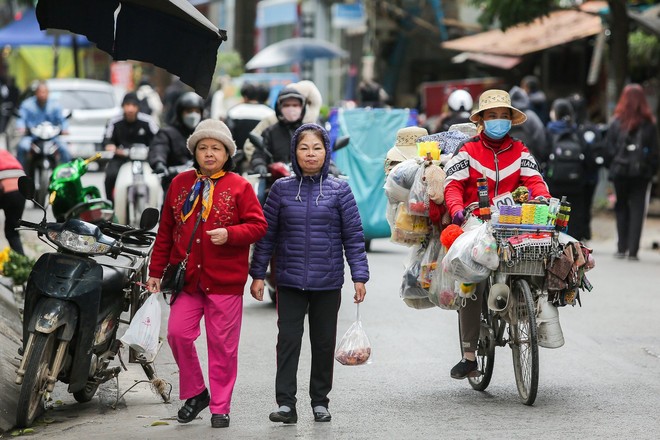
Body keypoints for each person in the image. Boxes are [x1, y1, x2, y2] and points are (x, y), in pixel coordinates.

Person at [146, 119, 267, 428]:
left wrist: (230, 234)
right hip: (187, 281)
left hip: (225, 281)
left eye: (216, 148)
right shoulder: (180, 184)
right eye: (203, 148)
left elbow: (258, 225)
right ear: (194, 152)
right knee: (177, 334)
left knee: (222, 347)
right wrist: (156, 271)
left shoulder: (240, 186)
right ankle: (197, 392)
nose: (209, 153)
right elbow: (166, 231)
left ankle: (220, 406)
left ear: (227, 153)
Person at [249, 123, 369, 424]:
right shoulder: (281, 190)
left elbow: (353, 236)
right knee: (288, 340)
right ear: (294, 152)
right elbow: (267, 236)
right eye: (304, 148)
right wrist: (259, 275)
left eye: (317, 148)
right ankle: (286, 404)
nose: (311, 154)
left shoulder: (340, 190)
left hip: (327, 282)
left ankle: (320, 401)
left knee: (323, 342)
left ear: (326, 152)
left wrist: (359, 277)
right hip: (288, 281)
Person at [443, 89, 550, 379]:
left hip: (513, 221)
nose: (499, 121)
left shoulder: (521, 151)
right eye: (493, 116)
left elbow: (536, 181)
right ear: (482, 120)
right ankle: (468, 355)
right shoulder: (467, 151)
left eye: (504, 116)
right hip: (475, 221)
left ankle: (529, 311)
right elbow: (452, 185)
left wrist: (541, 199)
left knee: (539, 260)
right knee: (472, 278)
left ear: (511, 121)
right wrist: (457, 211)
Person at [605, 84, 659, 261]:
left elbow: (609, 149)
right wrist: (650, 170)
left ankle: (621, 247)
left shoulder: (616, 122)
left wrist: (613, 165)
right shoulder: (649, 124)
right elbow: (654, 152)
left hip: (620, 172)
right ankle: (633, 250)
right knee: (638, 209)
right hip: (641, 174)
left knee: (621, 207)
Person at [543, 98, 590, 241]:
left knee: (554, 211)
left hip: (554, 180)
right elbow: (587, 154)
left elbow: (543, 152)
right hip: (576, 181)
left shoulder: (549, 130)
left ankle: (555, 240)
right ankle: (573, 243)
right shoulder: (577, 130)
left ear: (555, 113)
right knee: (575, 212)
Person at [102, 92, 159, 202]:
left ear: (138, 107)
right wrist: (110, 146)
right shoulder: (114, 121)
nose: (130, 109)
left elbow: (159, 137)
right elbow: (106, 138)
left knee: (160, 176)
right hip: (121, 157)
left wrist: (154, 150)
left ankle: (157, 206)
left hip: (145, 158)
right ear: (123, 106)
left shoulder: (147, 121)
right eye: (127, 105)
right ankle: (111, 205)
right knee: (110, 177)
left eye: (133, 106)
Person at [148, 92, 204, 196]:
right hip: (175, 184)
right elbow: (159, 148)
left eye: (197, 111)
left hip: (205, 185)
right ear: (180, 113)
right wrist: (159, 163)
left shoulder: (206, 133)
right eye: (189, 111)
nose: (193, 115)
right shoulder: (167, 133)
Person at [14, 81, 71, 169]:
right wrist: (21, 127)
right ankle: (20, 174)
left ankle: (67, 173)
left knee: (65, 149)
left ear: (48, 93)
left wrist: (64, 129)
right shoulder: (27, 104)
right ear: (36, 93)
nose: (42, 95)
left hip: (52, 137)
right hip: (33, 137)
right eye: (40, 92)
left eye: (44, 92)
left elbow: (62, 119)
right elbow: (21, 118)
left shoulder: (55, 105)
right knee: (22, 147)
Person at [225, 82, 275, 158]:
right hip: (261, 157)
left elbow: (228, 135)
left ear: (244, 96)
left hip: (236, 156)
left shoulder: (234, 111)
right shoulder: (270, 112)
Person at [508, 85, 547, 161]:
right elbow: (540, 137)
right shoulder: (530, 116)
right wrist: (541, 157)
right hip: (530, 157)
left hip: (509, 158)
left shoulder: (507, 117)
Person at [0, 150, 27, 254]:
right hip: (22, 191)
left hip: (5, 189)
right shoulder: (5, 153)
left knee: (11, 230)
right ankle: (21, 262)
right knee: (12, 231)